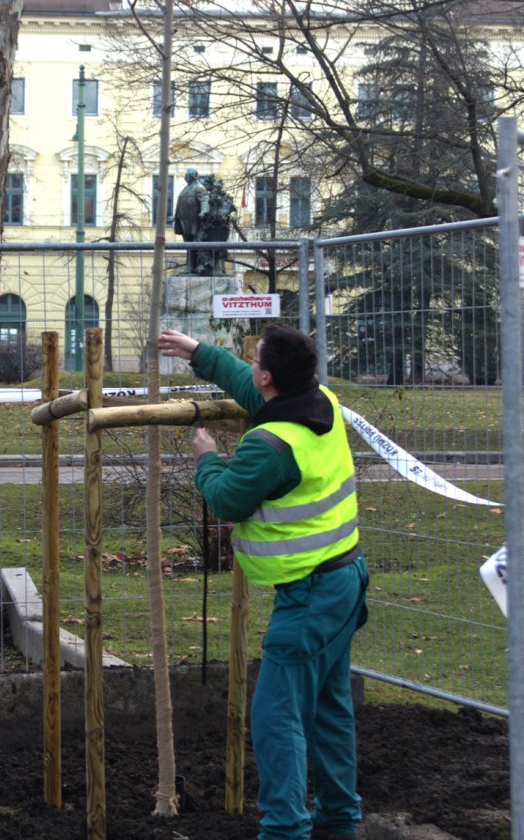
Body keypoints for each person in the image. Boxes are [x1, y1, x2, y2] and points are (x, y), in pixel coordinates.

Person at [157, 325, 368, 840]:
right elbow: (250, 388)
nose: (250, 367)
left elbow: (227, 499)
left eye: (255, 361)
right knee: (329, 709)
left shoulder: (271, 447)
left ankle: (285, 829)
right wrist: (198, 353)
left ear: (269, 375)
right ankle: (340, 819)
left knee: (276, 715)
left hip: (310, 596)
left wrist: (206, 457)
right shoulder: (320, 403)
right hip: (346, 577)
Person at [173, 167, 210, 274]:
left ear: (192, 176)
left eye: (187, 174)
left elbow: (204, 200)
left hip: (193, 221)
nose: (185, 176)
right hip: (185, 221)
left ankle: (191, 266)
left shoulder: (199, 188)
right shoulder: (187, 188)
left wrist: (204, 211)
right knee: (188, 244)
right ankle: (190, 266)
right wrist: (175, 216)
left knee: (192, 244)